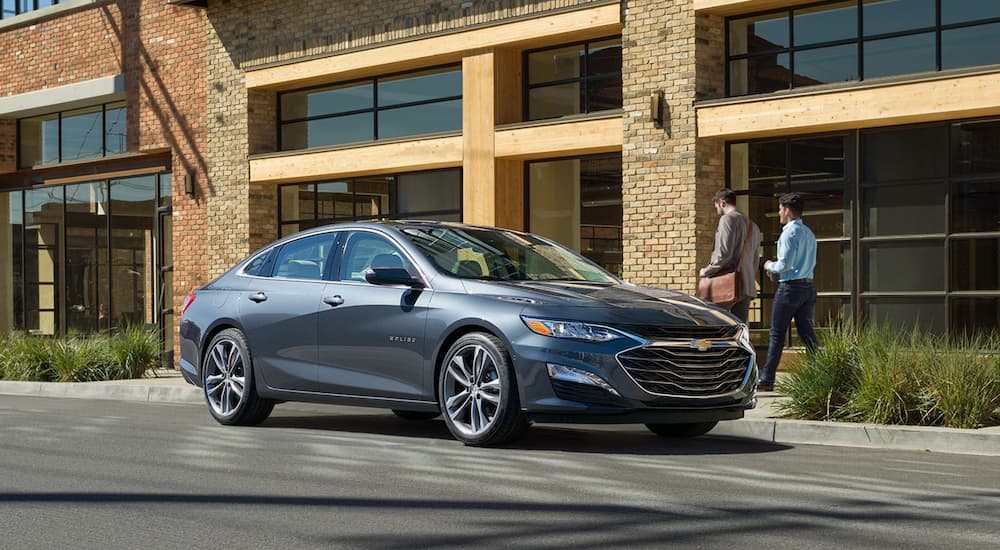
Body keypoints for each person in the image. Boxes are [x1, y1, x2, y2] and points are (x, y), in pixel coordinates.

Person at [759, 193, 819, 392]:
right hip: (808, 288)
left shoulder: (789, 233)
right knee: (808, 335)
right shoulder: (809, 233)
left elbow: (786, 264)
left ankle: (767, 379)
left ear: (786, 209)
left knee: (777, 334)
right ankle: (821, 371)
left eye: (779, 209)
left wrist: (769, 265)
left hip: (790, 289)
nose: (778, 213)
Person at [699, 188, 761, 323]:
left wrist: (707, 271)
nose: (716, 209)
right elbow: (755, 260)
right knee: (739, 329)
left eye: (716, 205)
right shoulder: (753, 226)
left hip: (728, 285)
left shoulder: (727, 219)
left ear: (722, 203)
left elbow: (724, 254)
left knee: (715, 325)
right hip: (746, 286)